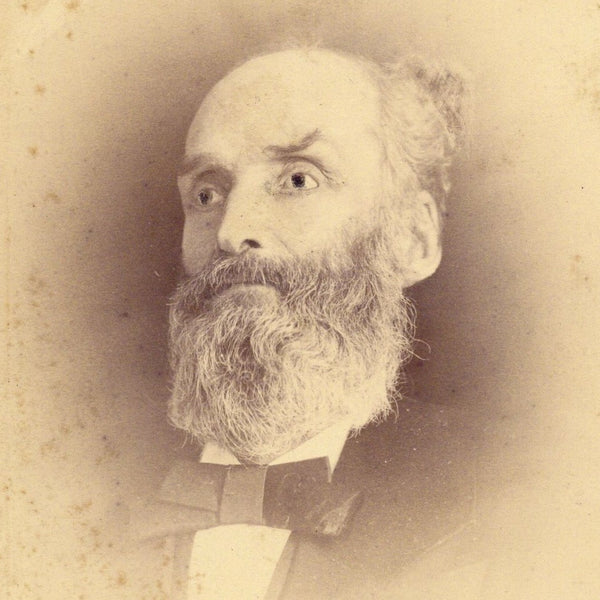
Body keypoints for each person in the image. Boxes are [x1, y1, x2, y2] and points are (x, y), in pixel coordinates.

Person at [126, 46, 481, 599]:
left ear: (413, 237)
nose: (231, 229)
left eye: (297, 180)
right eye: (207, 193)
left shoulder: (522, 501)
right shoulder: (65, 475)